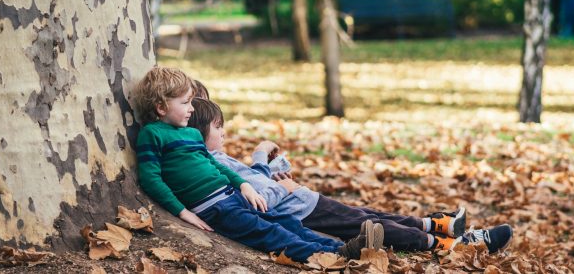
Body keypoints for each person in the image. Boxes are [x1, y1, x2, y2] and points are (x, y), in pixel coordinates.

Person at [188, 95, 514, 254]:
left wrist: (274, 174)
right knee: (371, 225)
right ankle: (453, 245)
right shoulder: (210, 161)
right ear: (198, 132)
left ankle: (438, 224)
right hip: (300, 209)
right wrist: (265, 165)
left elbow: (257, 186)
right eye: (218, 128)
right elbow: (259, 196)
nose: (224, 133)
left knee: (370, 214)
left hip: (303, 201)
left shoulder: (212, 157)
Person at [132, 66, 384, 263]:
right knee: (270, 234)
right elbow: (151, 179)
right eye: (185, 103)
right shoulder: (153, 135)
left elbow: (216, 166)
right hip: (215, 208)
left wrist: (244, 186)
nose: (191, 109)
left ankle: (343, 248)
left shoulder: (191, 134)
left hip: (233, 196)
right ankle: (333, 257)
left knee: (287, 223)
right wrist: (182, 212)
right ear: (161, 106)